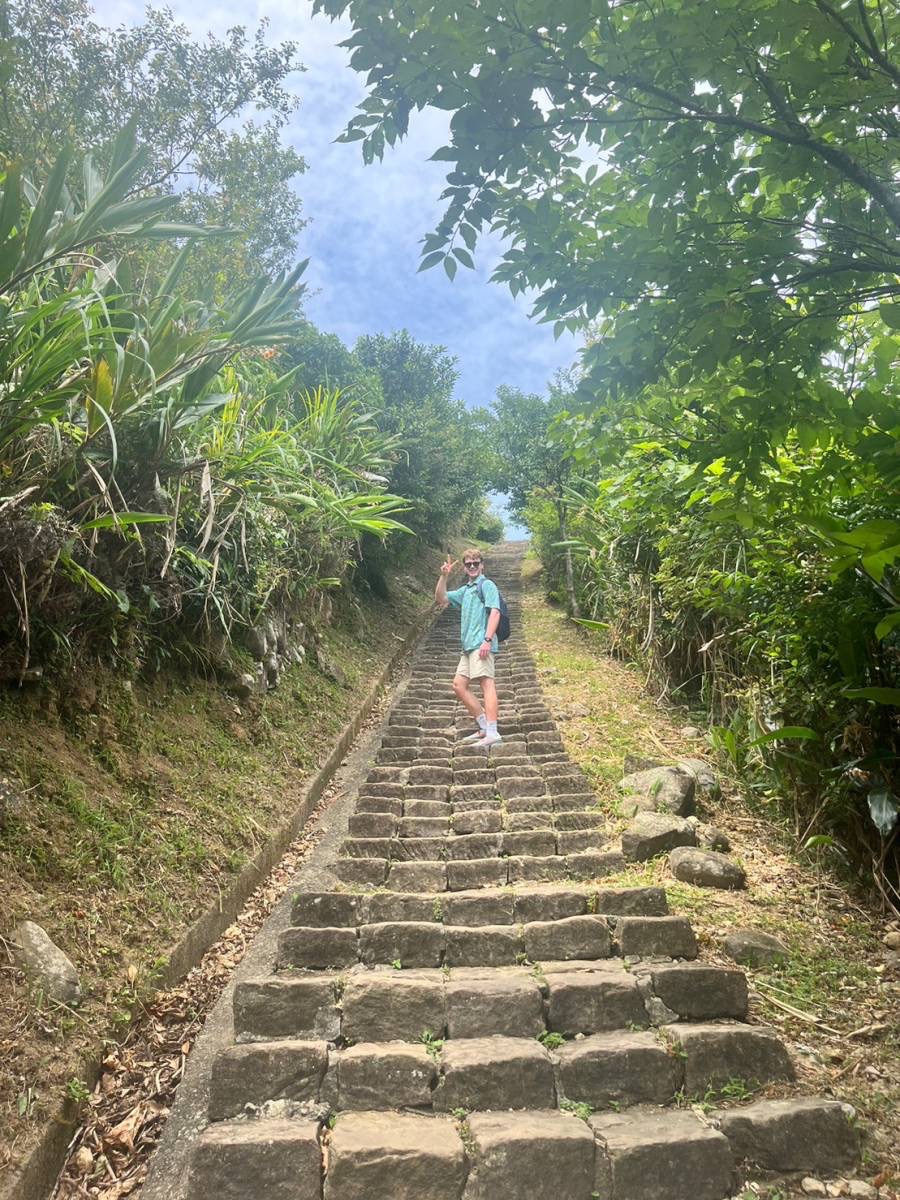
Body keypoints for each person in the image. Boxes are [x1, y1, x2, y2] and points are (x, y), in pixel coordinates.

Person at [434, 549, 502, 748]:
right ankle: (483, 726)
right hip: (468, 647)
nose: (472, 566)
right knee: (458, 685)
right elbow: (441, 598)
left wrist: (487, 640)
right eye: (468, 564)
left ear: (482, 565)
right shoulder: (466, 590)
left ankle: (492, 731)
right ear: (464, 567)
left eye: (475, 563)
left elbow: (495, 612)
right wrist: (443, 576)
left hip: (481, 643)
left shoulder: (487, 585)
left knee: (486, 684)